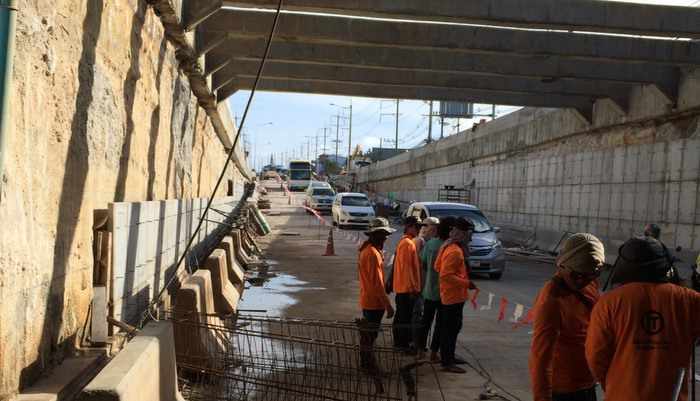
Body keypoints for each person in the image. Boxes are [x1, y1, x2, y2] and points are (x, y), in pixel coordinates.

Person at [585, 236, 700, 401]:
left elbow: (595, 356)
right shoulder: (690, 300)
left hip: (622, 395)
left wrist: (613, 384)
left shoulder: (609, 302)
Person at [529, 233, 605, 401]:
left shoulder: (589, 286)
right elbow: (541, 358)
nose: (582, 281)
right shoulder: (551, 302)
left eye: (590, 275)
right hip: (565, 390)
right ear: (562, 265)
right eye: (577, 275)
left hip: (587, 383)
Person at [434, 217, 475, 373]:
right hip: (453, 297)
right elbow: (445, 275)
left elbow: (437, 266)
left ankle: (449, 357)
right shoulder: (455, 252)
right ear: (463, 234)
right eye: (469, 233)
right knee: (450, 330)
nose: (470, 237)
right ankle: (447, 362)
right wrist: (466, 283)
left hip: (450, 296)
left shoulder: (447, 247)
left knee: (451, 329)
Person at [358, 217, 396, 372]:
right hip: (373, 302)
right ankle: (368, 366)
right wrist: (388, 306)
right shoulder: (372, 254)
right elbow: (378, 284)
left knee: (368, 336)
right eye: (383, 234)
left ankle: (366, 364)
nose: (386, 237)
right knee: (369, 337)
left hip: (368, 299)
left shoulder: (368, 250)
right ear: (375, 235)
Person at [417, 216, 452, 362]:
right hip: (445, 293)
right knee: (440, 324)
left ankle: (420, 350)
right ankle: (433, 352)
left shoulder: (430, 244)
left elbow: (423, 262)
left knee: (425, 322)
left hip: (430, 290)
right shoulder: (450, 247)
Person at [392, 216, 422, 351]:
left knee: (402, 317)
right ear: (409, 226)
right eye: (417, 227)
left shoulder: (408, 242)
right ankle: (401, 344)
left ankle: (400, 343)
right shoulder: (407, 244)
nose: (419, 230)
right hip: (406, 289)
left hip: (404, 287)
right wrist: (412, 289)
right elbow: (407, 269)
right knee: (403, 319)